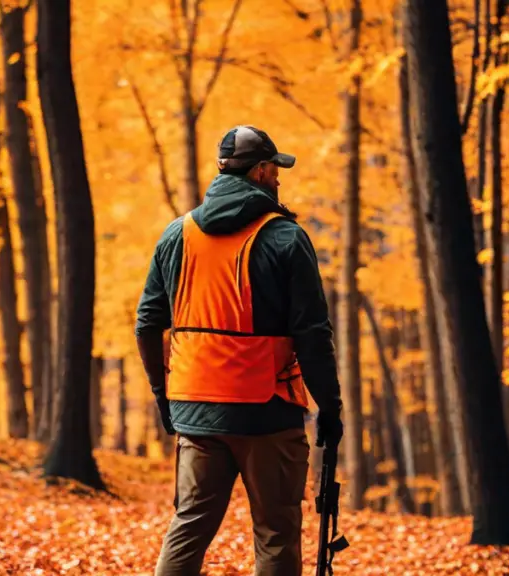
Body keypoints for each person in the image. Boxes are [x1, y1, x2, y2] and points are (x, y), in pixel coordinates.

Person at [134, 125, 344, 576]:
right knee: (275, 531)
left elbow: (147, 323)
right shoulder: (286, 237)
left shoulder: (177, 234)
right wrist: (331, 406)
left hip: (195, 408)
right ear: (262, 170)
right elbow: (312, 333)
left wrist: (163, 393)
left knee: (188, 526)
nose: (279, 178)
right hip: (267, 410)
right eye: (276, 169)